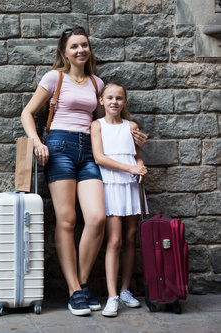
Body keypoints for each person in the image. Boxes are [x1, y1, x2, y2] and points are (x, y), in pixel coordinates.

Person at [20, 26, 148, 316]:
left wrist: (134, 135)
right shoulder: (55, 78)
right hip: (59, 147)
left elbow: (110, 120)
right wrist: (37, 142)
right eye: (74, 46)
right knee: (67, 220)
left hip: (89, 151)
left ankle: (83, 281)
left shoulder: (96, 84)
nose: (80, 50)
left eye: (85, 45)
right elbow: (27, 113)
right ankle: (74, 290)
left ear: (89, 50)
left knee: (96, 218)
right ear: (65, 51)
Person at [90, 83, 149, 317]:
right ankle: (112, 295)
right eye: (110, 98)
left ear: (124, 102)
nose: (114, 102)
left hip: (131, 186)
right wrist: (130, 168)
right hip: (111, 185)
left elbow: (137, 157)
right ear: (101, 101)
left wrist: (141, 168)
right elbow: (99, 157)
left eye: (119, 98)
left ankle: (125, 290)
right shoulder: (97, 125)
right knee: (113, 240)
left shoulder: (131, 126)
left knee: (130, 238)